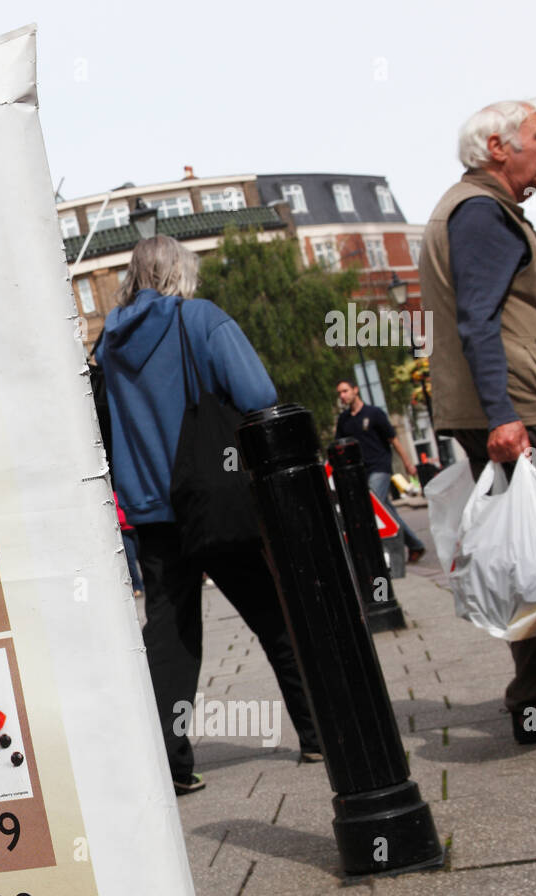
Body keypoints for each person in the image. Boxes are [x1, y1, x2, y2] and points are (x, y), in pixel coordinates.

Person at [97, 235, 322, 795]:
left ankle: (169, 765)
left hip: (151, 512)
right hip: (214, 500)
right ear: (181, 273)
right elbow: (257, 391)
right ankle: (320, 732)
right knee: (274, 617)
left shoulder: (108, 346)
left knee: (169, 635)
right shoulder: (200, 320)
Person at [419, 98, 536, 744]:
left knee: (532, 549)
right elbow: (478, 320)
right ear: (497, 148)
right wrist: (505, 416)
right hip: (533, 403)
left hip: (524, 400)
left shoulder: (484, 208)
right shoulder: (482, 215)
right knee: (533, 545)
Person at [333, 379, 426, 562]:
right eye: (339, 393)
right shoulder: (344, 420)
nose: (342, 396)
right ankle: (415, 544)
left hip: (380, 468)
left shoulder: (374, 414)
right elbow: (338, 448)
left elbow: (394, 440)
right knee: (387, 512)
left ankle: (382, 556)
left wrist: (408, 464)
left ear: (355, 390)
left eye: (345, 391)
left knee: (372, 505)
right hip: (360, 473)